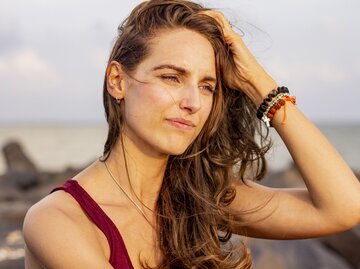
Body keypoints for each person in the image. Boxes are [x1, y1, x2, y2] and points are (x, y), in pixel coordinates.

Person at [22, 0, 360, 268]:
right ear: (118, 81)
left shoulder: (199, 197)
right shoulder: (58, 220)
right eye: (171, 77)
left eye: (207, 86)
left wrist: (259, 83)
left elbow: (344, 207)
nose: (193, 102)